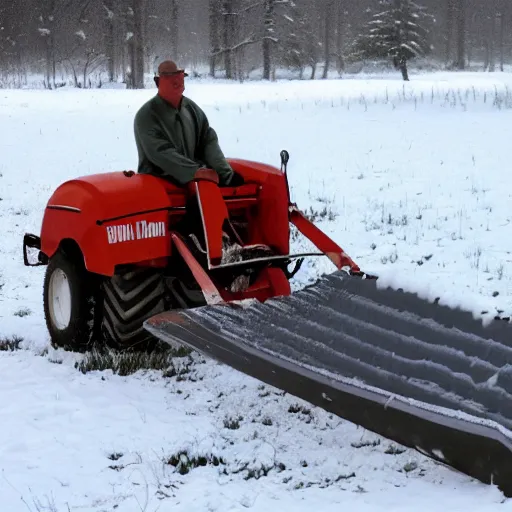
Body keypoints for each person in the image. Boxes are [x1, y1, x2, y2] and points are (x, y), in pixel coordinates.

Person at [133, 60, 244, 187]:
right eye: (170, 78)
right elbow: (160, 152)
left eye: (180, 78)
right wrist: (195, 172)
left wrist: (224, 173)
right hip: (160, 187)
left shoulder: (191, 109)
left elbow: (208, 141)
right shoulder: (147, 115)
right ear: (158, 82)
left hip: (195, 184)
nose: (178, 83)